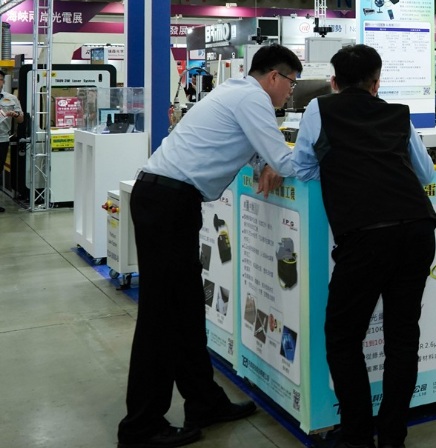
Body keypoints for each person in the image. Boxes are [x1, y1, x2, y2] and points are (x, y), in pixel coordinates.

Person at [118, 44, 301, 448]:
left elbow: (253, 152)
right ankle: (140, 427)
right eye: (291, 83)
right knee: (161, 318)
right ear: (274, 76)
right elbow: (287, 162)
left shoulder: (235, 91)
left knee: (184, 311)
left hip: (167, 201)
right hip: (168, 204)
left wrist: (265, 163)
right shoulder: (253, 99)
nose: (291, 92)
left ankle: (205, 402)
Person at [292, 44, 436, 448]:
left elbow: (303, 167)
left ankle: (356, 435)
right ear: (377, 83)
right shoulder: (398, 114)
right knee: (402, 338)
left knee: (342, 336)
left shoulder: (319, 109)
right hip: (417, 227)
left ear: (333, 82)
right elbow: (425, 173)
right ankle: (392, 437)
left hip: (366, 235)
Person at [0, 69, 24, 213]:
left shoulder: (11, 99)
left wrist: (15, 115)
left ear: (3, 81)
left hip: (2, 139)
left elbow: (21, 119)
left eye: (0, 79)